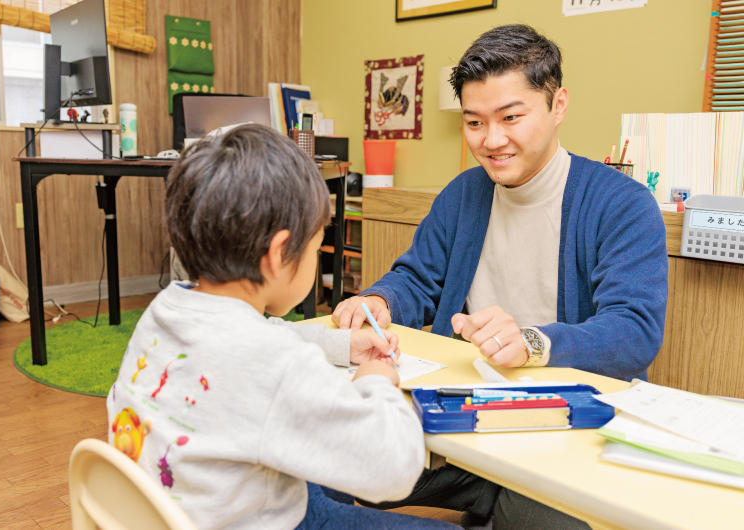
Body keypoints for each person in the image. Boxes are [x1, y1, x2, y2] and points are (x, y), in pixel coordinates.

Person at [333, 24, 668, 530]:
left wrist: (532, 343)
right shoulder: (464, 194)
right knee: (339, 463)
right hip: (464, 420)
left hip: (563, 428)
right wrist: (381, 300)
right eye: (474, 122)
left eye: (511, 117)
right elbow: (417, 279)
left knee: (546, 517)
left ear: (558, 106)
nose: (491, 140)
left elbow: (634, 330)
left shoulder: (622, 204)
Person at [106, 124, 459, 530]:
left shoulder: (166, 308)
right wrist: (378, 381)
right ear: (278, 255)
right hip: (256, 520)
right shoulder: (277, 366)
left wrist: (340, 346)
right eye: (316, 247)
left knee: (324, 483)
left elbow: (260, 338)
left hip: (184, 510)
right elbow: (395, 469)